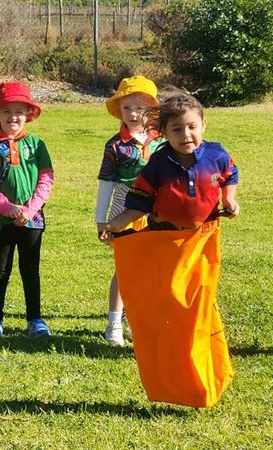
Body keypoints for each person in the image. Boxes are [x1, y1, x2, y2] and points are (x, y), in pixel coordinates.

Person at [104, 92, 240, 408]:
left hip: (203, 243)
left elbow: (230, 175)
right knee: (173, 308)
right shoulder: (159, 164)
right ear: (164, 133)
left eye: (192, 127)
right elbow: (140, 202)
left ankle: (208, 372)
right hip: (165, 243)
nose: (186, 135)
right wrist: (115, 224)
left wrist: (229, 199)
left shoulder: (217, 155)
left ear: (204, 125)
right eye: (177, 129)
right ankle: (173, 374)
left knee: (199, 306)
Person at [0, 81, 54, 338]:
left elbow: (46, 179)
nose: (13, 117)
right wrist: (7, 208)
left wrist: (30, 210)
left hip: (32, 220)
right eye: (7, 111)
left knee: (30, 270)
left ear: (28, 114)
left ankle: (35, 318)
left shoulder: (37, 145)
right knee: (0, 271)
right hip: (0, 221)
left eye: (19, 111)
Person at [96, 75, 162, 346]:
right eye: (127, 107)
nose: (133, 114)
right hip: (124, 212)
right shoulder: (115, 145)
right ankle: (114, 323)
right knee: (125, 270)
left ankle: (138, 321)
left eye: (140, 107)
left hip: (157, 213)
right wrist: (101, 220)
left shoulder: (163, 140)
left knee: (151, 271)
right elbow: (106, 183)